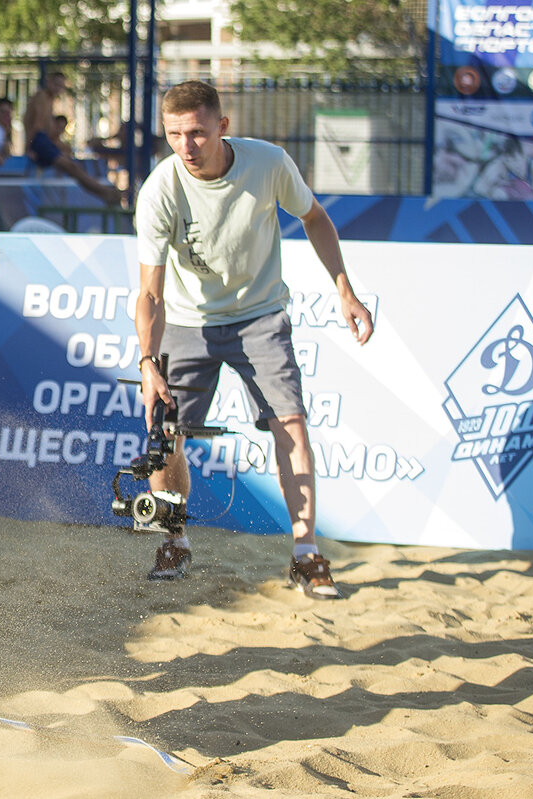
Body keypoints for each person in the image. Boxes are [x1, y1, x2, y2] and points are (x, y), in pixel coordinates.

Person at [132, 80, 374, 598]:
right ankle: (174, 542)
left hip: (261, 315)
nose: (185, 146)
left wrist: (345, 291)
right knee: (165, 434)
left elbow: (315, 218)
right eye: (173, 133)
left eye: (196, 132)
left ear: (222, 126)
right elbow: (149, 293)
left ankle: (307, 553)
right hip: (187, 321)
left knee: (291, 424)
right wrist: (148, 361)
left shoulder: (268, 164)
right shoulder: (159, 189)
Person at [23, 71, 122, 205]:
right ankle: (104, 192)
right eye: (56, 84)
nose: (58, 88)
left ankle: (104, 192)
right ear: (49, 82)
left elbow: (48, 131)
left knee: (73, 165)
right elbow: (36, 125)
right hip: (38, 141)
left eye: (61, 86)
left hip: (42, 140)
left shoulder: (50, 100)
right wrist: (29, 148)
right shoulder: (42, 97)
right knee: (72, 167)